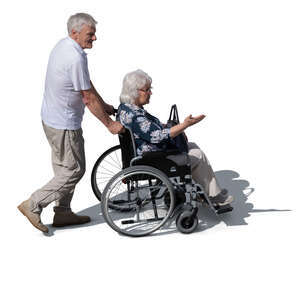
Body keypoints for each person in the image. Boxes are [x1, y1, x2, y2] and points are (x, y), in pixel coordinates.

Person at [18, 13, 123, 233]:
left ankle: (63, 213)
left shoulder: (64, 46)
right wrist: (109, 124)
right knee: (74, 170)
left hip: (52, 119)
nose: (95, 38)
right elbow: (87, 97)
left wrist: (104, 105)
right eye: (90, 34)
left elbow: (84, 81)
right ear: (74, 32)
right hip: (64, 124)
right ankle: (33, 204)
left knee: (63, 169)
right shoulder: (75, 57)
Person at [118, 69, 233, 206]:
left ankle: (205, 192)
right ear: (135, 91)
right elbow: (158, 136)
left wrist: (169, 126)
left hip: (144, 152)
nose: (150, 92)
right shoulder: (136, 116)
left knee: (192, 146)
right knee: (197, 155)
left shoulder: (125, 108)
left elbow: (149, 128)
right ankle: (213, 197)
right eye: (147, 89)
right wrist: (185, 125)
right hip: (152, 158)